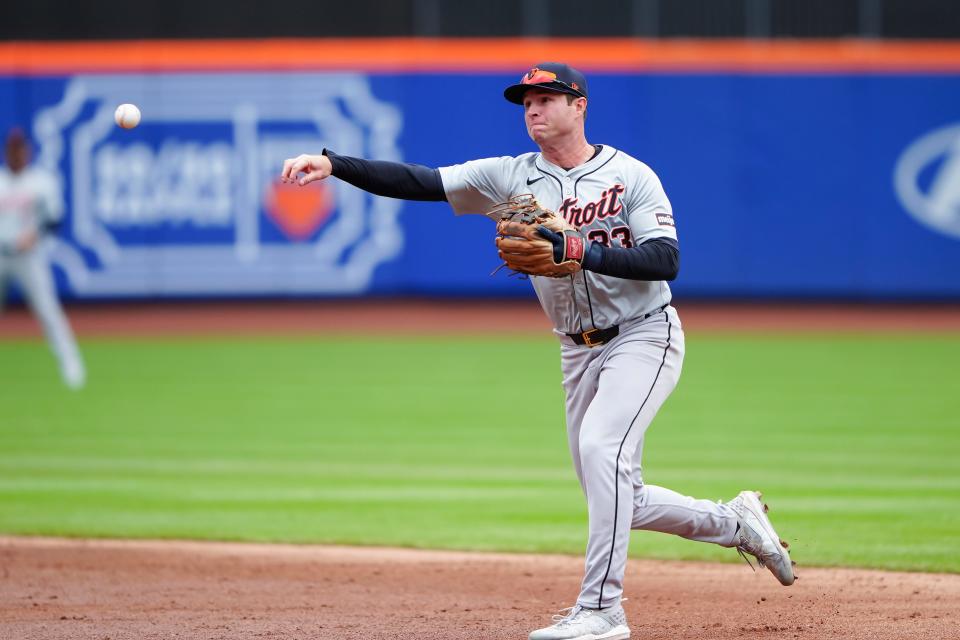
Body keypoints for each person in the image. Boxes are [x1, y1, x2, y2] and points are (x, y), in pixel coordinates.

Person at [281, 62, 793, 640]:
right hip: (575, 350)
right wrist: (335, 164)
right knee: (615, 490)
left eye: (547, 98)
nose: (533, 109)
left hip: (643, 333)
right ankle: (733, 523)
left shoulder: (631, 176)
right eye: (526, 101)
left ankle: (602, 612)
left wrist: (581, 249)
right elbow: (420, 181)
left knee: (604, 452)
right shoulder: (509, 177)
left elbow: (664, 260)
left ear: (579, 106)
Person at [0, 127, 86, 390]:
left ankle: (72, 365)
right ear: (7, 152)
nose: (17, 154)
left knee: (48, 310)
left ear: (27, 151)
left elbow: (54, 219)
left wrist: (34, 236)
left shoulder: (41, 182)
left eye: (20, 149)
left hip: (29, 257)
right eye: (12, 149)